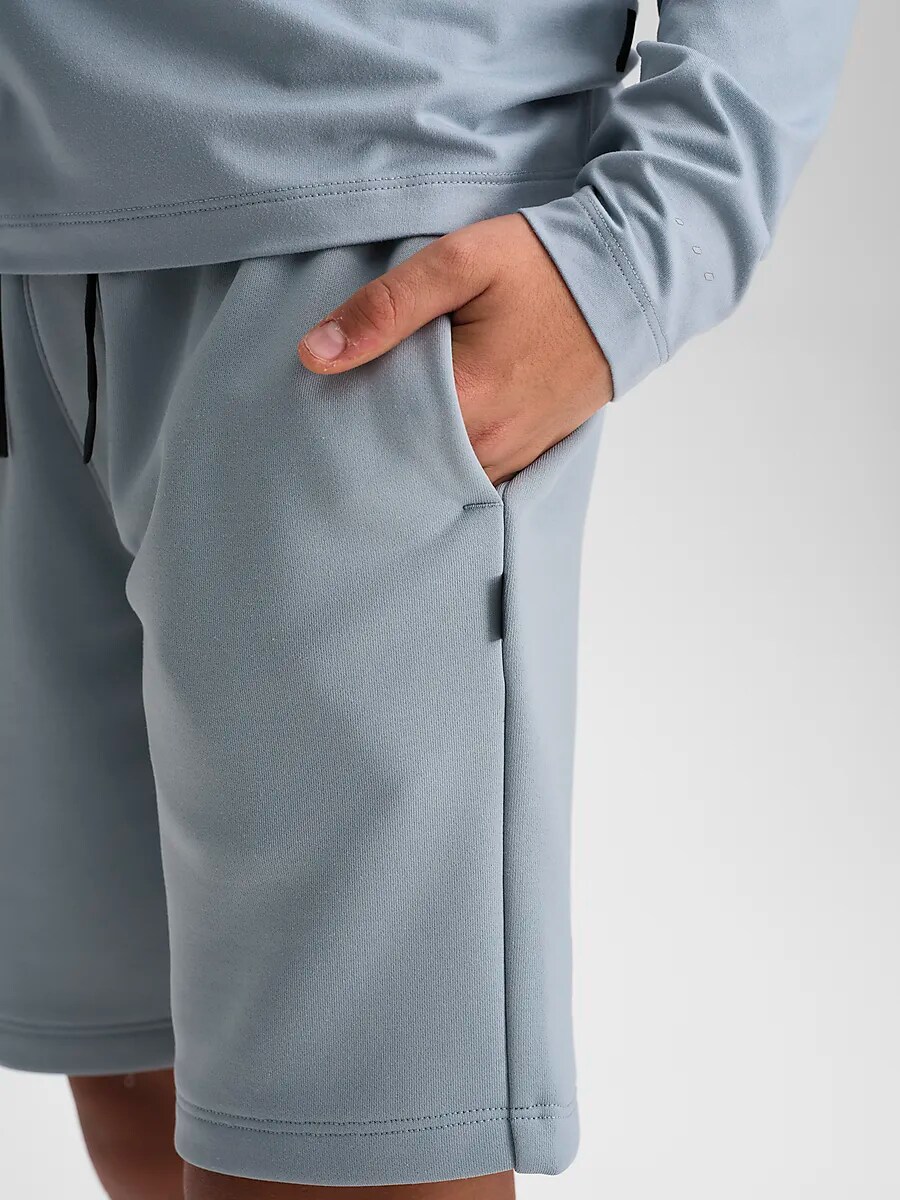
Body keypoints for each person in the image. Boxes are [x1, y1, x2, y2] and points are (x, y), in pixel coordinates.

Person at [0, 2, 856, 1197]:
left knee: (336, 1143)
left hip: (363, 241)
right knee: (140, 1072)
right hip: (28, 216)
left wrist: (654, 232)